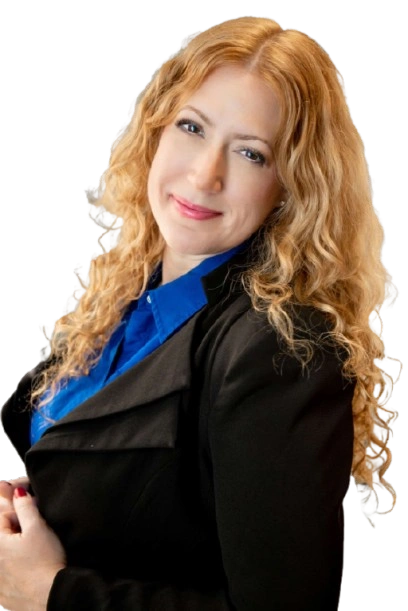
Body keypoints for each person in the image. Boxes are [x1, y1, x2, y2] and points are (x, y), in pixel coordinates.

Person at [0, 15, 402, 611]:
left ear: (294, 185)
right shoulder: (129, 290)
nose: (204, 174)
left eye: (251, 153)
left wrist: (49, 592)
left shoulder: (282, 349)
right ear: (157, 127)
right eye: (192, 127)